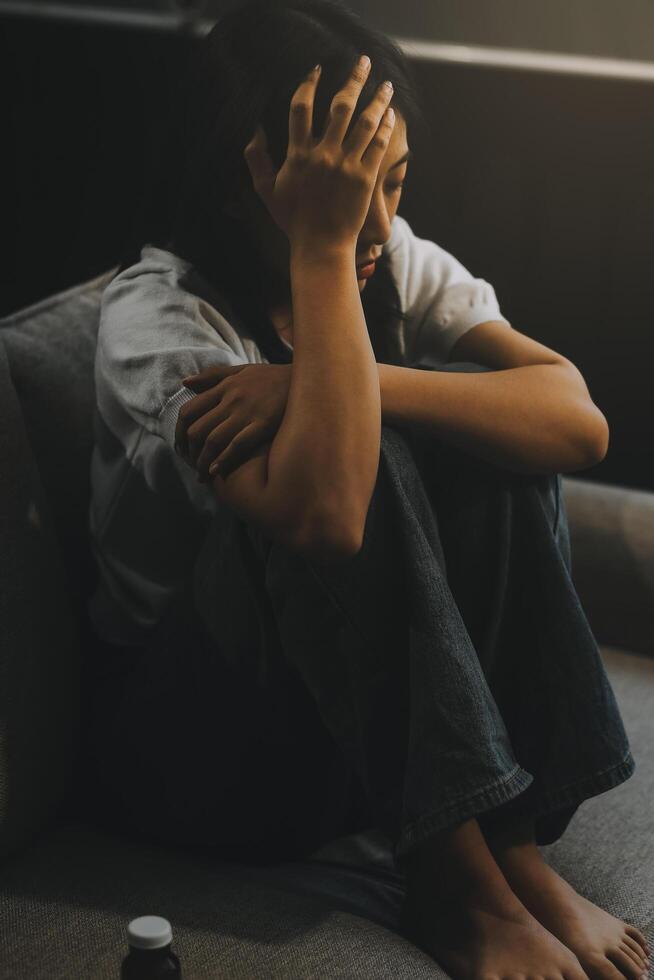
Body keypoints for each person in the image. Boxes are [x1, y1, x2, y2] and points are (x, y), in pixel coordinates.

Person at [79, 2, 650, 978]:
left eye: (391, 182)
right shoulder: (159, 321)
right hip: (195, 755)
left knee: (474, 422)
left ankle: (512, 848)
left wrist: (332, 371)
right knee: (355, 448)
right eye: (342, 193)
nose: (378, 220)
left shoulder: (391, 257)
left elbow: (574, 419)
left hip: (352, 734)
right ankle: (459, 893)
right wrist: (322, 251)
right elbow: (329, 512)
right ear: (245, 180)